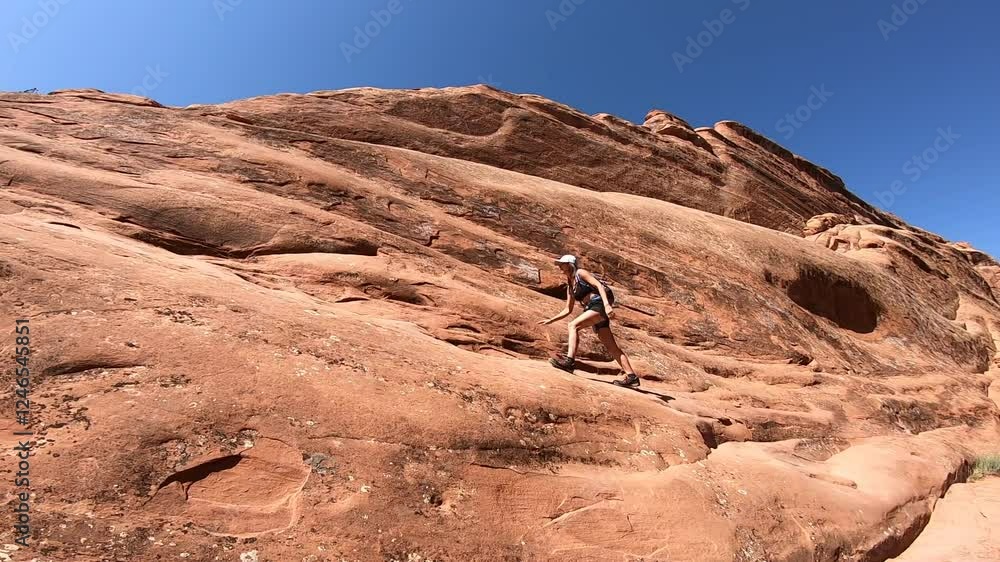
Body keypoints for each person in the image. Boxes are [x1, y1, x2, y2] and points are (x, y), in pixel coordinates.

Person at [538, 254, 641, 387]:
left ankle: (569, 361)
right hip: (592, 308)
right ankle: (631, 376)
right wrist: (551, 320)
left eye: (562, 265)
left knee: (573, 325)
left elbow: (599, 286)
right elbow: (567, 309)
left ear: (570, 265)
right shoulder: (570, 284)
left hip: (599, 304)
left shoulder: (580, 273)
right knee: (611, 346)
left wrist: (607, 305)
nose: (560, 268)